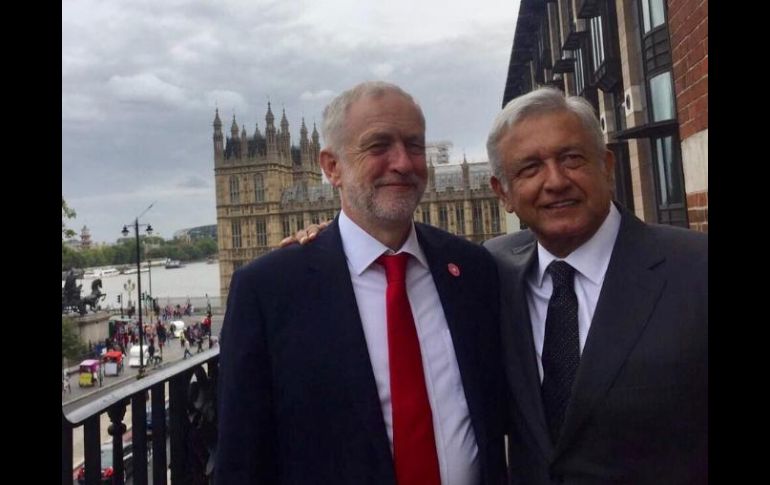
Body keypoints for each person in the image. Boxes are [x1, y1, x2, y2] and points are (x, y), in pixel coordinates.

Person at [215, 81, 506, 485]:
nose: (401, 162)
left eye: (414, 145)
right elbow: (241, 459)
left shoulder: (475, 269)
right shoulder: (267, 291)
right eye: (378, 146)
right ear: (331, 167)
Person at [483, 87, 707, 483]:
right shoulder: (492, 270)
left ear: (606, 165)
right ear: (503, 194)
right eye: (530, 168)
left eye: (572, 158)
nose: (555, 181)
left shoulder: (695, 268)